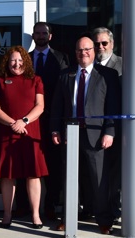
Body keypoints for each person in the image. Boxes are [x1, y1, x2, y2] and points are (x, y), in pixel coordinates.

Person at [50, 36, 120, 235]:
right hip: (69, 135)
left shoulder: (108, 74)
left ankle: (103, 220)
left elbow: (112, 106)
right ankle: (67, 218)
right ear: (75, 53)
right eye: (80, 50)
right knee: (69, 178)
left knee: (99, 179)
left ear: (94, 51)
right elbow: (57, 105)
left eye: (88, 49)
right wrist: (55, 129)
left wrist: (109, 131)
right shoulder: (66, 74)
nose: (84, 53)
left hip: (97, 136)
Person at [0, 45, 47, 229]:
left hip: (30, 133)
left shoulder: (36, 80)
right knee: (8, 176)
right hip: (7, 132)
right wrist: (12, 123)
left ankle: (36, 215)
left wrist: (23, 121)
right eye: (13, 60)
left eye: (20, 60)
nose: (16, 64)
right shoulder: (0, 81)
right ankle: (7, 214)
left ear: (26, 62)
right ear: (7, 62)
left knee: (33, 174)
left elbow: (40, 106)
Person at [29, 21, 69, 221]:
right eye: (37, 33)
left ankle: (51, 205)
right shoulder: (25, 60)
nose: (41, 36)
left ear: (50, 36)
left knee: (53, 165)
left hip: (53, 119)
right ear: (33, 36)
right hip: (29, 120)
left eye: (44, 33)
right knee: (29, 163)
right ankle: (25, 206)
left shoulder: (62, 58)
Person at [92, 27, 122, 225]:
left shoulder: (123, 64)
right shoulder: (86, 64)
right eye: (97, 44)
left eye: (104, 43)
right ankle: (96, 209)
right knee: (97, 173)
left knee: (117, 173)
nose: (101, 47)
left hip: (120, 129)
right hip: (94, 130)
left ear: (112, 44)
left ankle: (116, 209)